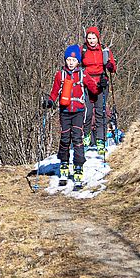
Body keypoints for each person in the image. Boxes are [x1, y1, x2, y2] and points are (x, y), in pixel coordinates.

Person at [43, 45, 98, 189]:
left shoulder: (82, 74)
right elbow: (54, 92)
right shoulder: (60, 75)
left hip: (79, 111)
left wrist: (100, 85)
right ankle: (64, 163)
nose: (71, 62)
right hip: (65, 111)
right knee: (65, 137)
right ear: (65, 60)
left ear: (78, 61)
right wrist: (49, 101)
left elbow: (93, 88)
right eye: (68, 59)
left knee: (77, 138)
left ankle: (78, 166)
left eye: (73, 59)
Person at [80, 26, 117, 159]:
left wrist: (110, 66)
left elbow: (113, 67)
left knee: (101, 113)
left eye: (93, 38)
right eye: (89, 38)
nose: (91, 41)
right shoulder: (82, 50)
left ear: (98, 38)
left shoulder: (104, 50)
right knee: (87, 113)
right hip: (86, 84)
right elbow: (76, 64)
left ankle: (101, 140)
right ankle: (87, 136)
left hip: (102, 83)